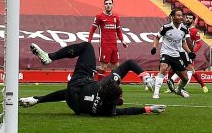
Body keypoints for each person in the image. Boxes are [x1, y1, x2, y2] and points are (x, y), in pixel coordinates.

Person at [21, 42, 163, 116]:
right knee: (72, 93)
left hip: (79, 82)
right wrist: (148, 109)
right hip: (74, 104)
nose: (122, 95)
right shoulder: (107, 111)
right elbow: (126, 111)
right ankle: (37, 99)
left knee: (87, 46)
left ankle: (50, 57)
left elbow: (130, 63)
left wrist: (144, 76)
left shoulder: (106, 82)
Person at [150, 9, 193, 99]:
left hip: (176, 55)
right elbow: (157, 37)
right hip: (166, 52)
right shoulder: (166, 27)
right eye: (178, 15)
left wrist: (189, 52)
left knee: (185, 78)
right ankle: (156, 92)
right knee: (163, 67)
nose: (181, 17)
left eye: (181, 15)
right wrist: (154, 47)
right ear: (173, 17)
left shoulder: (184, 29)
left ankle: (178, 90)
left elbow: (183, 42)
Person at [87, 0, 127, 74]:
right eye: (106, 4)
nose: (108, 5)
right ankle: (99, 84)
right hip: (104, 45)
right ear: (104, 5)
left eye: (109, 4)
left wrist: (123, 41)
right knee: (104, 67)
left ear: (112, 5)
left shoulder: (116, 17)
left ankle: (113, 84)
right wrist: (89, 41)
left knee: (116, 67)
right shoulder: (99, 16)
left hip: (114, 45)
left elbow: (118, 31)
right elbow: (92, 29)